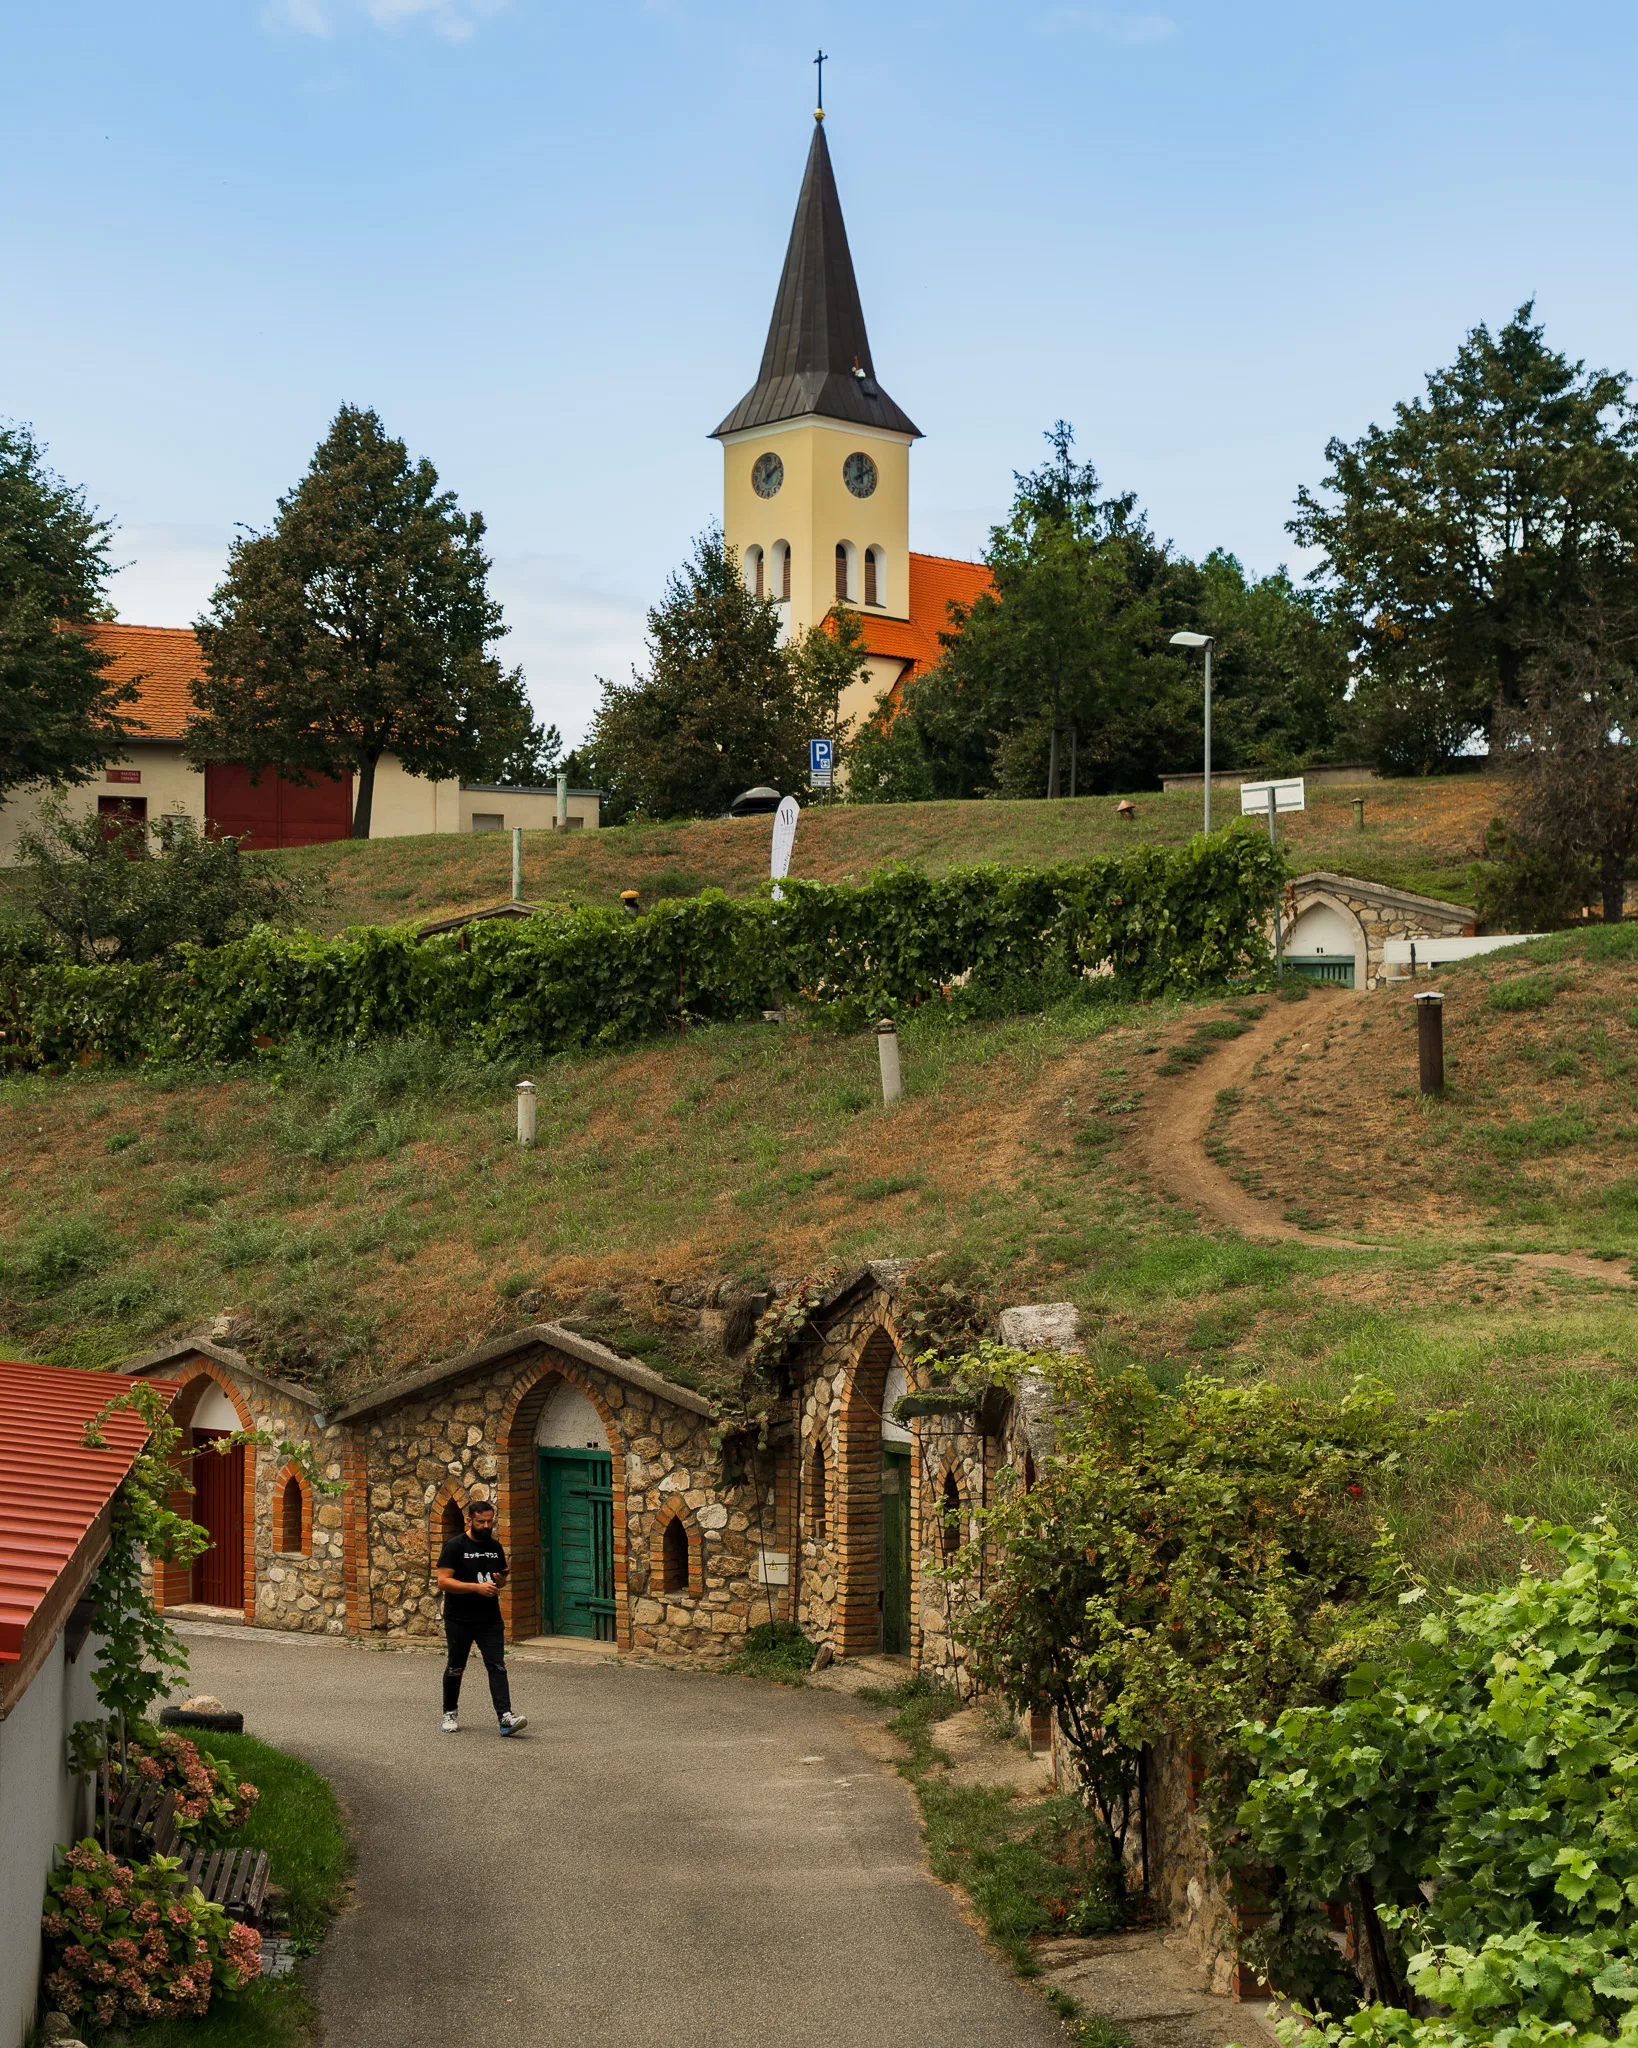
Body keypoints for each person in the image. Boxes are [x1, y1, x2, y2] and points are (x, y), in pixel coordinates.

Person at [435, 1498, 527, 1736]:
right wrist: (476, 1588)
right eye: (481, 1522)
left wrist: (500, 1582)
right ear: (469, 1520)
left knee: (497, 1666)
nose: (486, 1526)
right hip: (459, 1618)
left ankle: (505, 1717)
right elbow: (443, 1581)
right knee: (456, 1667)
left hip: (489, 1618)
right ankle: (449, 1712)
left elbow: (500, 1580)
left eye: (490, 1521)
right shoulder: (455, 1547)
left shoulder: (494, 1547)